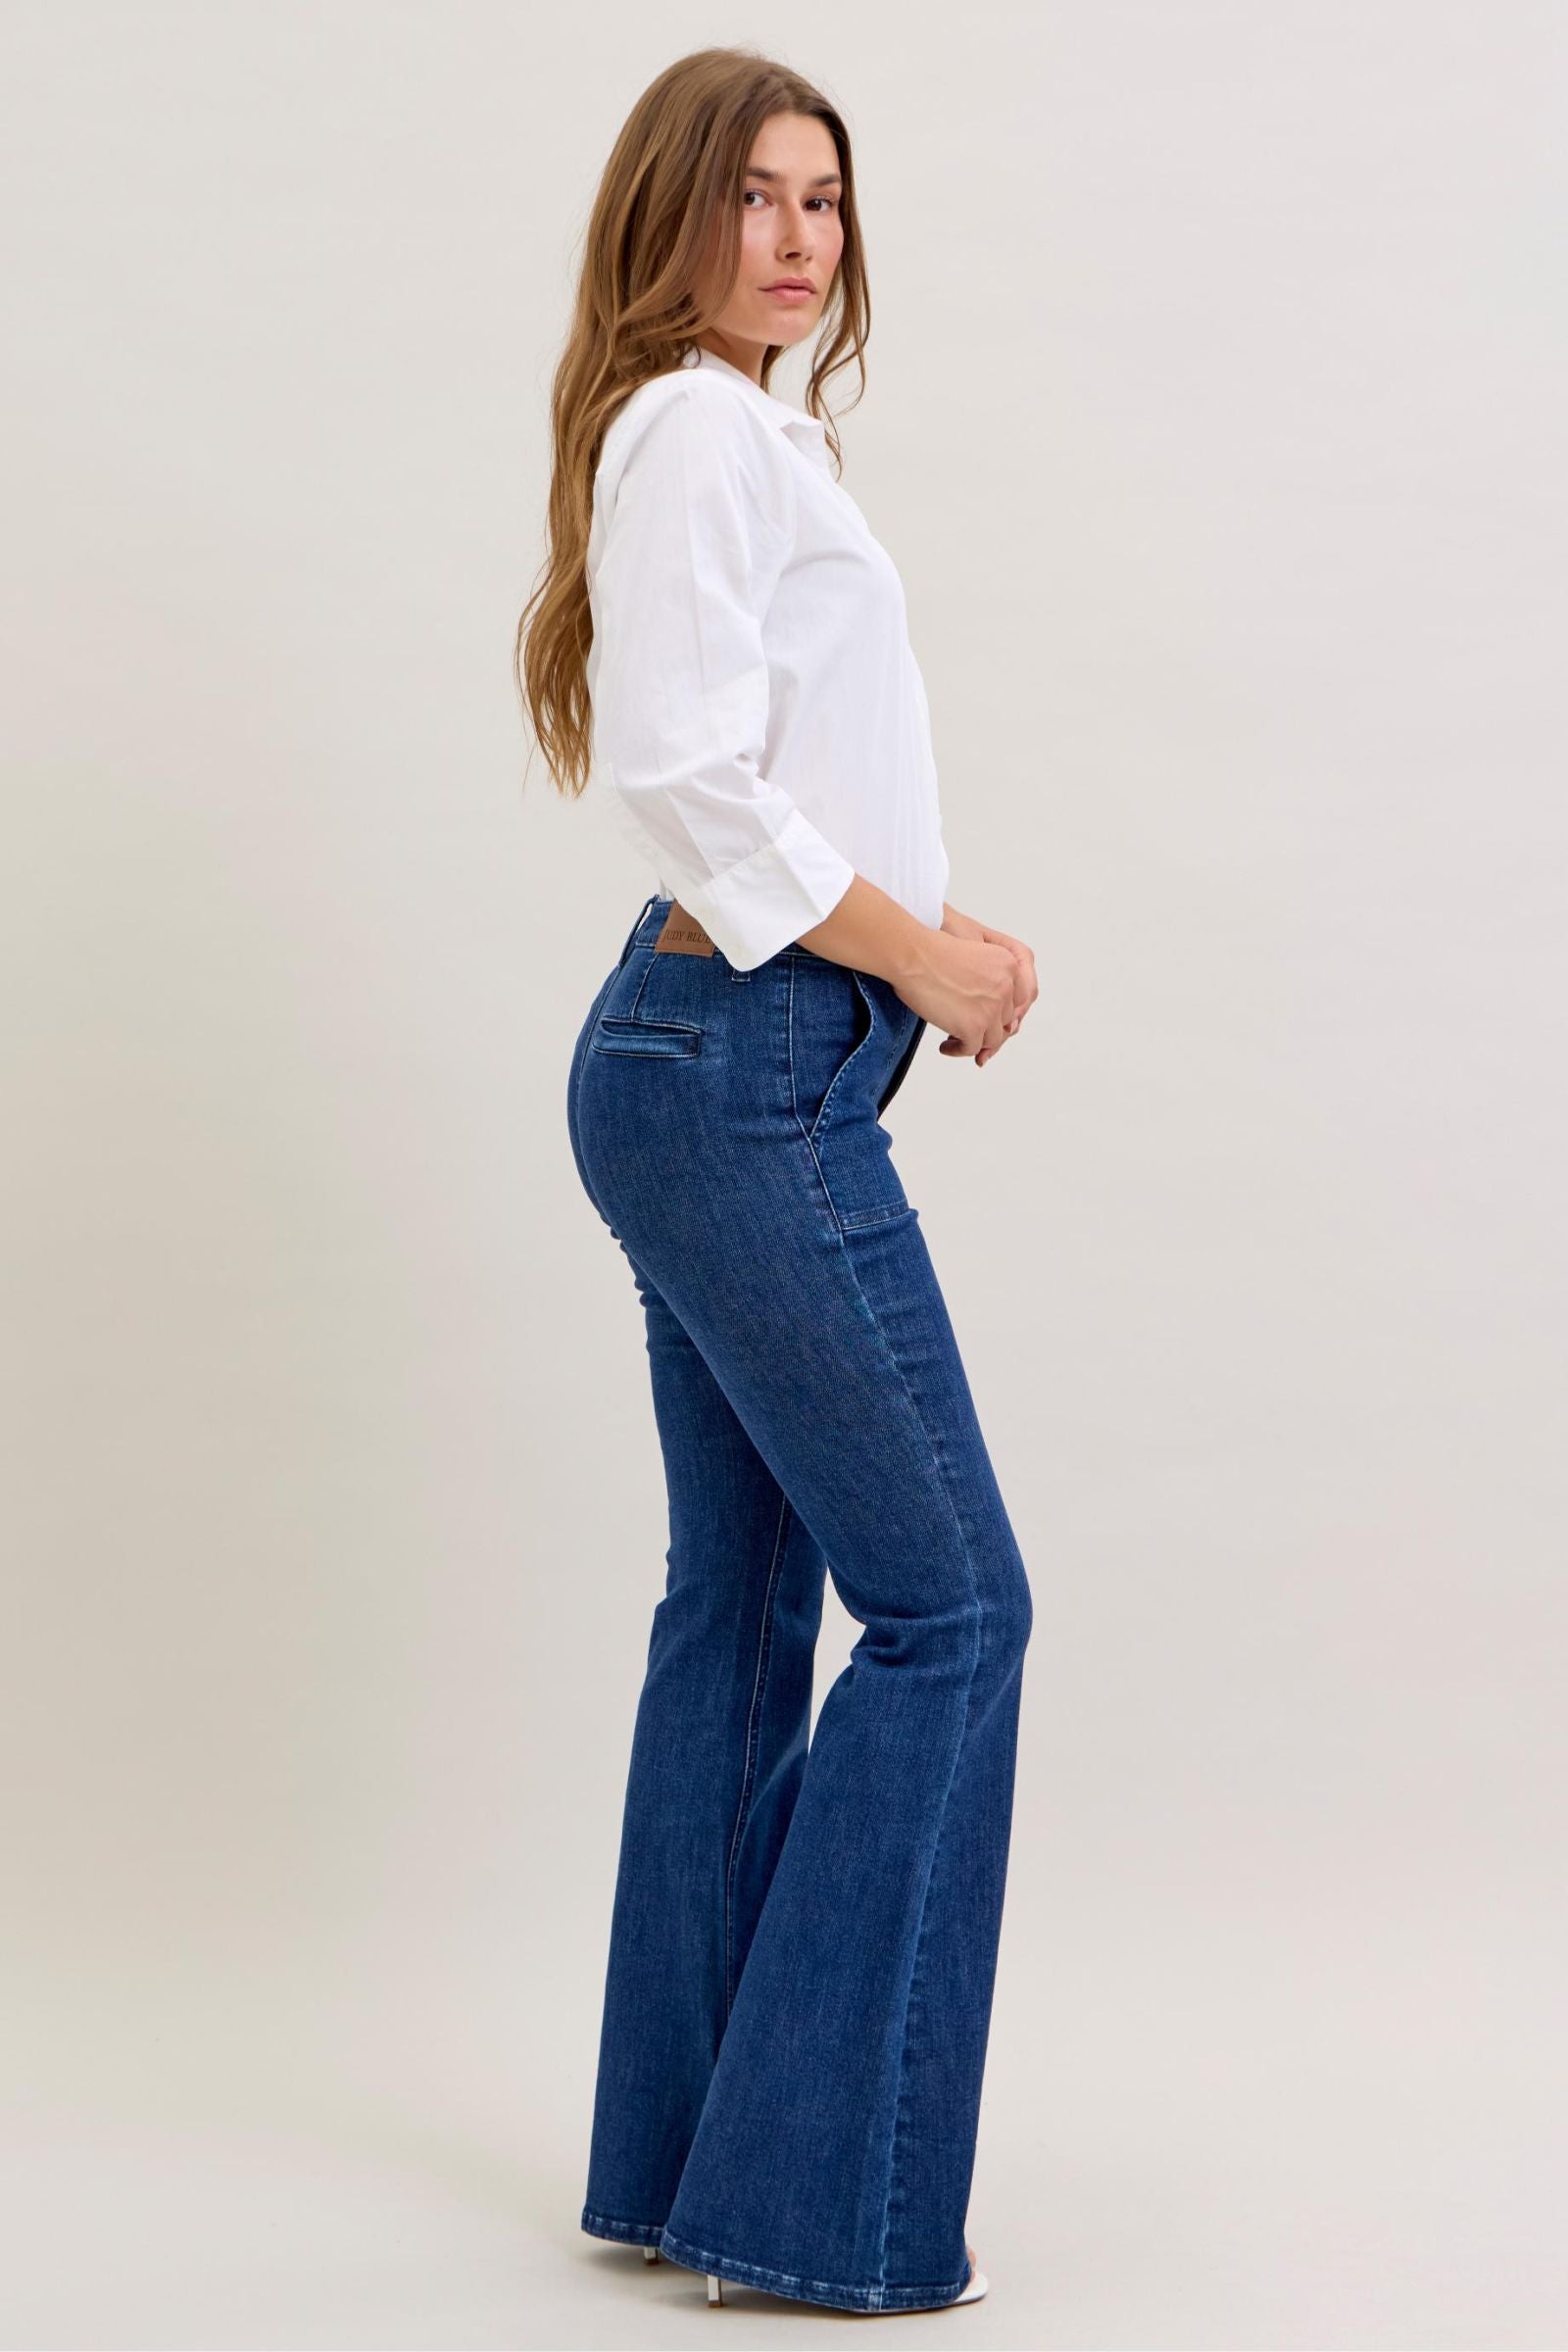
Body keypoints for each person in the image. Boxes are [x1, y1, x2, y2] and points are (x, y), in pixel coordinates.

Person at [516, 45, 1039, 2318]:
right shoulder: (695, 429)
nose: (801, 234)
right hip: (738, 1067)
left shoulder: (734, 438)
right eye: (753, 195)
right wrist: (919, 952)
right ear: (675, 218)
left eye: (824, 196)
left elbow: (778, 773)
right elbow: (685, 777)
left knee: (738, 1604)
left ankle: (677, 2170)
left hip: (716, 1059)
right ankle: (817, 2208)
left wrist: (935, 933)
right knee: (950, 1612)